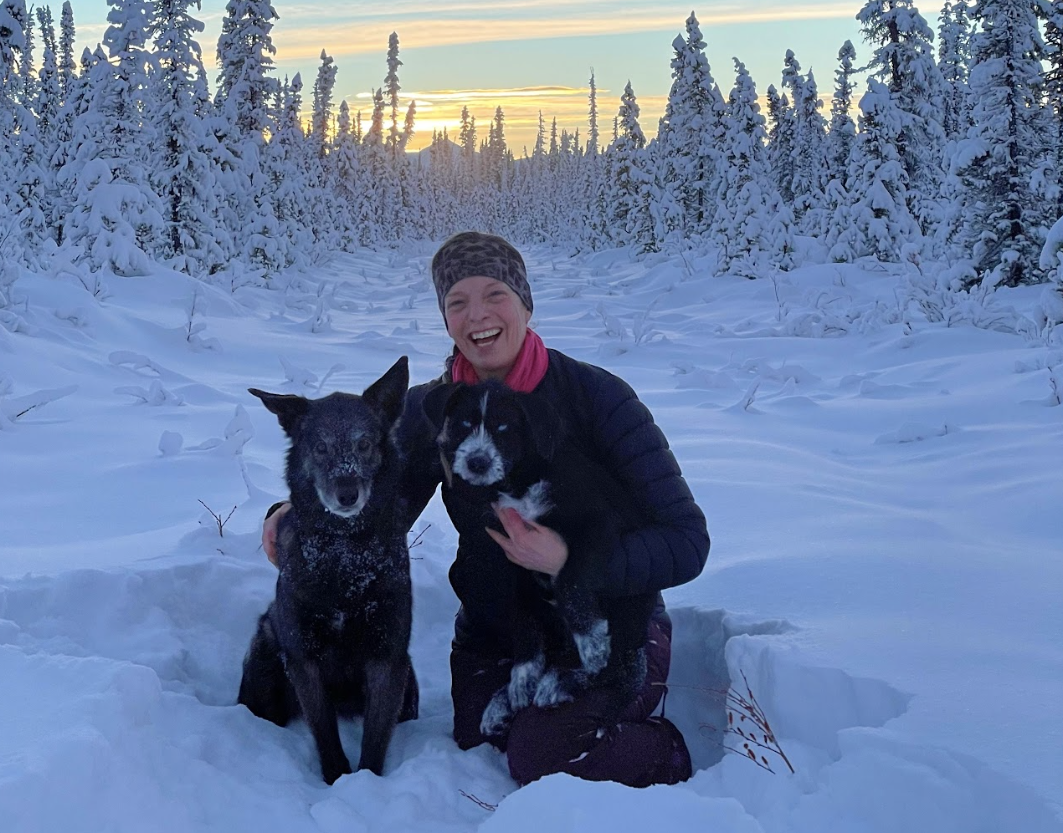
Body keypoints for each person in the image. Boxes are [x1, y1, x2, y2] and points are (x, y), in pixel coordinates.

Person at [262, 231, 709, 787]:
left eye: (495, 294)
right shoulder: (433, 409)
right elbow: (373, 496)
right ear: (445, 319)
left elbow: (687, 542)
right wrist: (291, 513)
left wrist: (568, 560)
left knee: (544, 755)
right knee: (480, 735)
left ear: (525, 302)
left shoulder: (598, 398)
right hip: (501, 629)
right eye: (457, 303)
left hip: (609, 619)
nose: (477, 316)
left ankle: (663, 752)